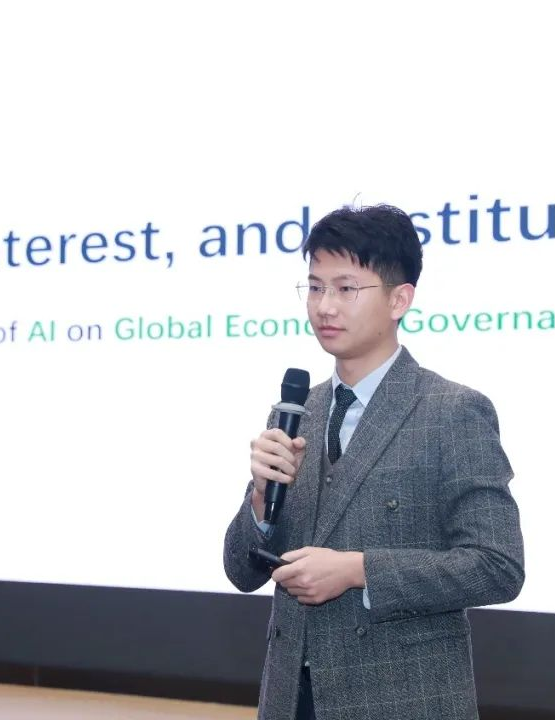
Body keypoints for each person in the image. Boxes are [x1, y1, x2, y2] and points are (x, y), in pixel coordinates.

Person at [223, 204, 524, 720]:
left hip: (400, 700)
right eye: (314, 287)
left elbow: (498, 567)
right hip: (291, 700)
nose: (324, 306)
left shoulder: (452, 411)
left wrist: (358, 571)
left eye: (346, 288)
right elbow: (241, 571)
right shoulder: (296, 412)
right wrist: (259, 501)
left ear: (399, 299)